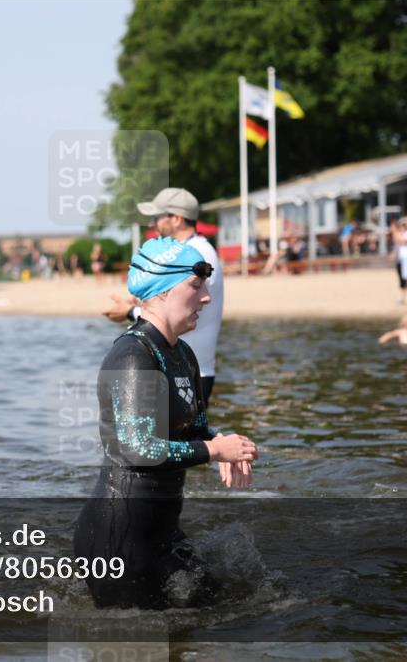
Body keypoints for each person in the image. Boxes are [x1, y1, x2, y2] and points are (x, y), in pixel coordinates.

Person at [74, 237, 258, 610]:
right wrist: (212, 451)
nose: (206, 297)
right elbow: (136, 449)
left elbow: (196, 426)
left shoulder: (183, 353)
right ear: (161, 292)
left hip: (162, 532)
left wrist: (220, 440)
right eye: (195, 286)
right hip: (118, 540)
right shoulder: (132, 355)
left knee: (221, 609)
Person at [103, 188, 224, 406]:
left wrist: (130, 312)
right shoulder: (191, 250)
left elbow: (178, 310)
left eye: (157, 217)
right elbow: (172, 300)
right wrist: (143, 302)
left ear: (176, 219)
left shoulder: (196, 254)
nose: (153, 224)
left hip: (192, 371)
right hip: (180, 367)